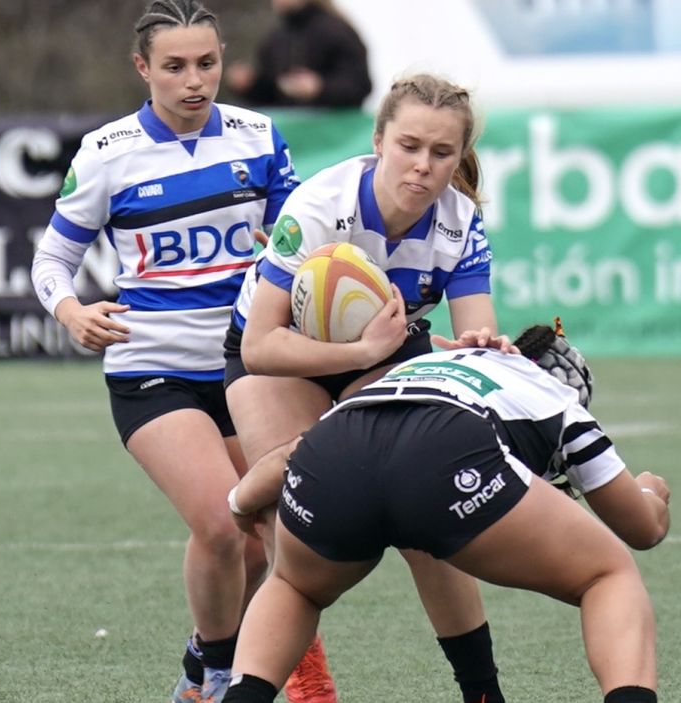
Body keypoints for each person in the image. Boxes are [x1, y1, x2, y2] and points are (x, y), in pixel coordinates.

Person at [27, 2, 320, 701]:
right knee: (223, 525)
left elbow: (298, 237)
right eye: (175, 66)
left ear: (223, 57)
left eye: (208, 62)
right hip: (151, 367)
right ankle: (220, 675)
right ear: (142, 68)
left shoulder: (257, 135)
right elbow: (51, 260)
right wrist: (70, 310)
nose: (195, 80)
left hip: (244, 365)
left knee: (266, 535)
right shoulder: (106, 151)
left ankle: (199, 661)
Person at [222, 73, 511, 703]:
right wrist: (361, 351)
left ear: (459, 159)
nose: (423, 165)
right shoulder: (320, 207)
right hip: (283, 358)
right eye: (409, 145)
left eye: (442, 153)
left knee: (427, 519)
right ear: (379, 140)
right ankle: (301, 684)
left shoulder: (461, 224)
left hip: (382, 359)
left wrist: (491, 354)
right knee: (293, 520)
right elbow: (258, 346)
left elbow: (472, 342)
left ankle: (484, 694)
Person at [220, 322, 672, 703]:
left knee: (295, 587)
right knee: (607, 575)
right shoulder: (557, 397)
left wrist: (240, 504)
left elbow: (291, 455)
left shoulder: (425, 368)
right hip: (448, 452)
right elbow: (642, 528)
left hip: (336, 444)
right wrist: (650, 490)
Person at [224, 0, 372, 109]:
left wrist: (319, 88)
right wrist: (250, 85)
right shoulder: (275, 40)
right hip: (290, 131)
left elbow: (361, 85)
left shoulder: (337, 31)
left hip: (332, 132)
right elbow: (271, 92)